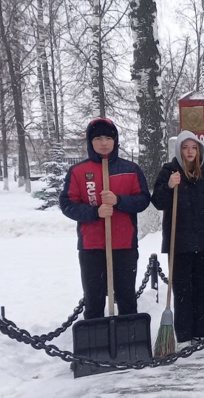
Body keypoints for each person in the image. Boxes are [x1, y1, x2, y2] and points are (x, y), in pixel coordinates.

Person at [59, 118, 151, 319]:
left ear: (115, 141)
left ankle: (128, 340)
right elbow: (67, 204)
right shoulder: (78, 172)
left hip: (124, 245)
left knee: (126, 297)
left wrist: (118, 201)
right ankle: (95, 341)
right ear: (90, 142)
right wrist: (94, 212)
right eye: (98, 138)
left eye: (108, 138)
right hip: (91, 247)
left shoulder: (130, 170)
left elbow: (143, 200)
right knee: (94, 299)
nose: (103, 143)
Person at [151, 130, 204, 344]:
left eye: (194, 148)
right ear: (179, 150)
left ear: (199, 150)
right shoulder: (169, 172)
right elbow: (158, 202)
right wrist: (169, 186)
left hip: (202, 241)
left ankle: (203, 332)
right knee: (182, 290)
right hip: (178, 242)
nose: (190, 152)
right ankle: (184, 334)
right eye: (185, 148)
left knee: (203, 289)